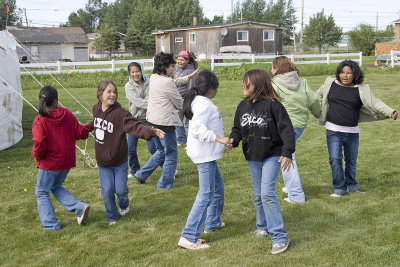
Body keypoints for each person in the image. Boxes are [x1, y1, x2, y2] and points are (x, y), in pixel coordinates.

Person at [229, 69, 294, 255]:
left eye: (247, 83)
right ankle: (262, 226)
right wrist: (233, 141)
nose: (243, 86)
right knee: (258, 194)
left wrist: (288, 151)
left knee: (266, 193)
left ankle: (280, 237)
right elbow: (237, 129)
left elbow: (286, 130)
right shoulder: (242, 106)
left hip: (272, 155)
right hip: (252, 156)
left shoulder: (274, 106)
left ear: (258, 85)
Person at [316, 60, 398, 197]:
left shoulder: (361, 89)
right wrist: (318, 110)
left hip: (352, 132)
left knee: (351, 162)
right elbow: (317, 96)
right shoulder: (330, 84)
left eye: (349, 73)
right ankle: (340, 189)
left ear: (355, 74)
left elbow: (375, 102)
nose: (345, 75)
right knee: (335, 159)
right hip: (333, 131)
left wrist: (390, 111)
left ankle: (352, 186)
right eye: (342, 72)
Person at [92, 80, 164, 224]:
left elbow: (135, 125)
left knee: (121, 191)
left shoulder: (121, 114)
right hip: (103, 163)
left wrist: (150, 130)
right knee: (107, 191)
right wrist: (85, 128)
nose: (112, 95)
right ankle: (112, 216)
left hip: (119, 162)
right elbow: (95, 123)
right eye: (109, 92)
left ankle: (123, 204)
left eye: (114, 92)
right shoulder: (96, 109)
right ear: (100, 94)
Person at [178, 70, 230, 250]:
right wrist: (220, 139)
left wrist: (221, 144)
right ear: (212, 89)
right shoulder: (203, 105)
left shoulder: (200, 102)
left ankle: (213, 222)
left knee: (217, 189)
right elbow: (198, 130)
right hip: (204, 156)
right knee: (206, 193)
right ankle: (189, 236)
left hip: (207, 154)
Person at [134, 52, 198, 189]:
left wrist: (189, 77)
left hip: (152, 121)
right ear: (164, 67)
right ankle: (165, 184)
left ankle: (141, 174)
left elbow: (173, 82)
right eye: (171, 66)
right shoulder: (167, 82)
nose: (173, 69)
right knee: (171, 153)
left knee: (161, 151)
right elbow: (178, 102)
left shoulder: (154, 77)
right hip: (165, 123)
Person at [32, 86, 91, 231]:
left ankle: (51, 224)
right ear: (56, 101)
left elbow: (39, 142)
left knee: (41, 191)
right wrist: (90, 126)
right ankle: (79, 207)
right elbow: (80, 132)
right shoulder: (67, 114)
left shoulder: (40, 120)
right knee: (55, 187)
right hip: (66, 162)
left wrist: (36, 155)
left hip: (50, 163)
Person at [271, 56, 320, 203]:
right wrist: (317, 113)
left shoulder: (274, 84)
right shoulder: (302, 81)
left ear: (277, 69)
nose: (271, 70)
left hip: (283, 127)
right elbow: (313, 100)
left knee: (286, 157)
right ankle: (291, 186)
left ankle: (296, 195)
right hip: (300, 124)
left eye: (272, 67)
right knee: (288, 154)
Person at [125, 62, 157, 178]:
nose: (135, 74)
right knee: (130, 149)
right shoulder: (128, 86)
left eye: (137, 71)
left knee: (153, 148)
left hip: (149, 119)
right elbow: (137, 102)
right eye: (132, 72)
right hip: (134, 120)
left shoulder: (150, 82)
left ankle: (169, 168)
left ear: (141, 71)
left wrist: (151, 100)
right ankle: (134, 171)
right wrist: (151, 102)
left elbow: (154, 95)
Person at [173, 51, 198, 146]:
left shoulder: (191, 72)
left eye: (182, 60)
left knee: (188, 123)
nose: (179, 61)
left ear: (188, 60)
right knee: (177, 120)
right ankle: (181, 140)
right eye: (178, 59)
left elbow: (191, 88)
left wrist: (188, 102)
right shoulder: (176, 69)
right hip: (177, 100)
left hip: (186, 100)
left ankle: (192, 141)